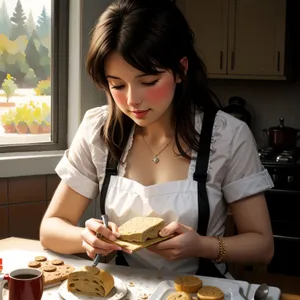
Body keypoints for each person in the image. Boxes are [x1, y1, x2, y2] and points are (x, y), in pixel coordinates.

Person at [40, 0, 274, 278]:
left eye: (148, 82)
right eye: (117, 84)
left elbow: (262, 246)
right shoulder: (99, 129)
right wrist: (85, 238)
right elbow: (51, 227)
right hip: (125, 292)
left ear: (181, 70)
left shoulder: (228, 136)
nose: (132, 100)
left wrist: (203, 246)